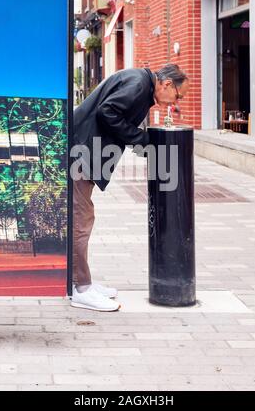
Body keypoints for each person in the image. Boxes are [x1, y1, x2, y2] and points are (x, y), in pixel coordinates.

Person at [71, 64, 190, 312]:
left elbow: (111, 113)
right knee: (81, 220)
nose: (173, 104)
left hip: (83, 152)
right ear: (167, 84)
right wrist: (141, 139)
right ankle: (81, 288)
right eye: (177, 96)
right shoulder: (138, 85)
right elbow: (107, 112)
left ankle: (82, 283)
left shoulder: (140, 83)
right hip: (81, 155)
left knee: (82, 218)